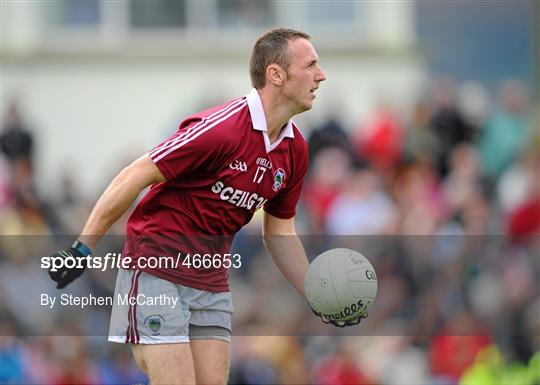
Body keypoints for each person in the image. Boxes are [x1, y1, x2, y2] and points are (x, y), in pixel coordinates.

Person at [48, 28, 364, 385]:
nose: (321, 75)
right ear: (276, 74)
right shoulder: (223, 128)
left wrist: (316, 294)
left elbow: (279, 233)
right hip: (157, 269)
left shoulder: (295, 151)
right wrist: (82, 247)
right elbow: (133, 176)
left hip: (211, 282)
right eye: (310, 65)